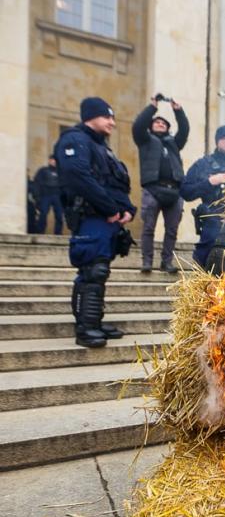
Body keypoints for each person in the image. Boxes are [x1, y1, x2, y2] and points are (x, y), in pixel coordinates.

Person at [53, 97, 136, 348]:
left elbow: (115, 184)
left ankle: (95, 323)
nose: (112, 121)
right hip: (91, 218)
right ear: (90, 116)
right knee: (92, 272)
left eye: (112, 116)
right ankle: (85, 328)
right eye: (106, 116)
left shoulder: (102, 148)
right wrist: (110, 208)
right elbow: (78, 177)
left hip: (105, 221)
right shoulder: (75, 140)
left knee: (99, 271)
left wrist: (128, 209)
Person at [132, 94, 190, 274]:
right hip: (152, 189)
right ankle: (147, 261)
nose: (160, 124)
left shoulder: (174, 143)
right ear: (151, 126)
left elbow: (184, 130)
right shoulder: (145, 140)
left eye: (163, 123)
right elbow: (138, 126)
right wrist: (152, 106)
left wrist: (178, 110)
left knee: (172, 230)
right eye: (156, 122)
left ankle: (167, 262)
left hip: (174, 190)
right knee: (148, 228)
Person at [180, 125, 225, 269]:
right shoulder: (203, 164)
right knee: (206, 257)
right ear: (217, 141)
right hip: (213, 219)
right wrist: (210, 182)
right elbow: (185, 191)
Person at [33, 156, 65, 234]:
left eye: (55, 160)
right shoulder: (43, 170)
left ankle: (58, 233)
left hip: (57, 196)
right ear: (49, 161)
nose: (54, 162)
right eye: (52, 160)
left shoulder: (61, 172)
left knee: (59, 216)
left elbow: (65, 185)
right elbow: (37, 183)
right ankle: (40, 231)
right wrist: (37, 196)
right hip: (46, 195)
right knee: (43, 214)